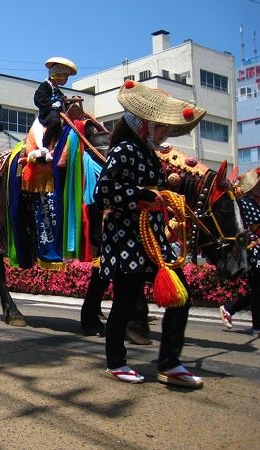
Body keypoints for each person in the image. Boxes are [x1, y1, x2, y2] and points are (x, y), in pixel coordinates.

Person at [94, 79, 206, 387]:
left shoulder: (150, 154)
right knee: (126, 301)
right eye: (160, 127)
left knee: (181, 295)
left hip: (154, 241)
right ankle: (116, 361)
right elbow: (103, 191)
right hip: (127, 239)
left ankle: (170, 362)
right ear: (142, 124)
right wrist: (142, 195)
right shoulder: (125, 150)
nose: (165, 133)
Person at [220, 167, 260, 335]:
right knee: (258, 288)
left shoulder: (254, 201)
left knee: (258, 289)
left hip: (256, 246)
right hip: (252, 249)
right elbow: (244, 228)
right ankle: (255, 324)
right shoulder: (244, 203)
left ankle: (230, 308)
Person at [34, 57, 78, 152]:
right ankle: (44, 147)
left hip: (59, 113)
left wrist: (72, 100)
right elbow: (38, 100)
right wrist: (55, 99)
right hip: (48, 114)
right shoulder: (44, 86)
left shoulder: (57, 90)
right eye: (65, 75)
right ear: (56, 74)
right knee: (55, 122)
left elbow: (63, 102)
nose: (67, 78)